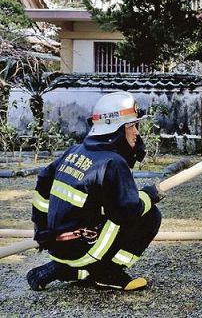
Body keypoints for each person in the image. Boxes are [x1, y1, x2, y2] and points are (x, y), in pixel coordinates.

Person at [26, 91, 164, 291]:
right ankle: (107, 272)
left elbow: (42, 187)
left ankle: (64, 268)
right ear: (116, 129)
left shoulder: (75, 151)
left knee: (108, 211)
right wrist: (149, 196)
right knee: (150, 215)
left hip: (58, 246)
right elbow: (129, 211)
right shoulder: (113, 163)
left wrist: (43, 231)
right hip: (83, 249)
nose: (137, 132)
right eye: (132, 126)